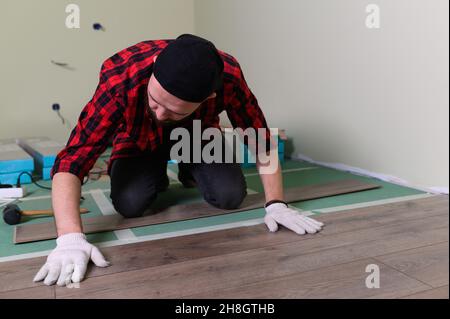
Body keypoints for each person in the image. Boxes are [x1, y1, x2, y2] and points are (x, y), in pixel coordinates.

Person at [33, 34, 324, 286]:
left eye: (172, 111)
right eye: (155, 102)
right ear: (154, 68)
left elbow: (260, 140)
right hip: (136, 139)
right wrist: (70, 238)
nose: (160, 115)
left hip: (196, 136)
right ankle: (154, 169)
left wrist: (276, 203)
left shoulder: (229, 78)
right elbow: (73, 159)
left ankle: (189, 167)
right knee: (130, 204)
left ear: (209, 97)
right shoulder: (120, 75)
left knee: (230, 195)